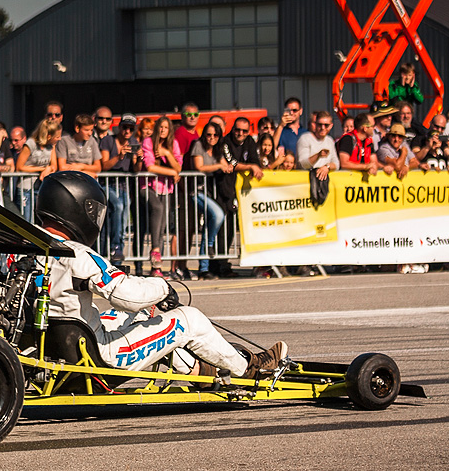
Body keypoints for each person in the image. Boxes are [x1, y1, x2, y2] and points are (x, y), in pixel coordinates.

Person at [35, 170, 288, 380]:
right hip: (97, 360)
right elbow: (127, 296)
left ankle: (198, 370)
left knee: (137, 316)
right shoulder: (78, 255)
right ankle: (250, 369)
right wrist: (163, 287)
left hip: (51, 353)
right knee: (189, 319)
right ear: (77, 208)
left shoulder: (25, 251)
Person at [215, 117, 265, 277]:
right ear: (232, 129)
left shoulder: (250, 142)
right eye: (237, 130)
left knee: (235, 229)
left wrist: (253, 166)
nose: (240, 133)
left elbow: (255, 161)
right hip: (224, 190)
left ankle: (228, 263)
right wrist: (250, 166)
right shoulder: (225, 141)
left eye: (244, 131)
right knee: (224, 229)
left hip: (242, 193)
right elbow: (232, 162)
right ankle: (220, 265)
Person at [135, 115, 181, 277]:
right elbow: (150, 167)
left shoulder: (173, 144)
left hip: (165, 188)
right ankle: (154, 250)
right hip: (147, 186)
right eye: (160, 127)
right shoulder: (148, 142)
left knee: (161, 227)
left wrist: (167, 153)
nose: (163, 130)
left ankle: (156, 268)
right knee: (157, 208)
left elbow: (178, 167)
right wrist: (172, 172)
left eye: (166, 127)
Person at [190, 122, 230, 281]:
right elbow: (199, 167)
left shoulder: (219, 150)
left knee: (208, 227)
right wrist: (218, 165)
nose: (212, 138)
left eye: (215, 135)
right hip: (196, 191)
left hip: (211, 193)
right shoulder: (198, 145)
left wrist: (225, 165)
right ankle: (210, 245)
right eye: (209, 134)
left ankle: (204, 268)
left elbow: (226, 165)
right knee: (218, 215)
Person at [99, 113, 139, 266]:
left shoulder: (133, 142)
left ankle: (118, 251)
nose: (127, 131)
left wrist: (139, 158)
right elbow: (104, 166)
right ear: (119, 127)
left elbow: (136, 169)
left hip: (124, 186)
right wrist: (119, 156)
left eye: (131, 128)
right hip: (107, 184)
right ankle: (115, 246)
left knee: (124, 216)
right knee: (118, 206)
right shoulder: (108, 140)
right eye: (125, 127)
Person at [15, 119, 59, 220]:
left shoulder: (51, 146)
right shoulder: (30, 144)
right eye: (57, 136)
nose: (59, 139)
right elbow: (19, 167)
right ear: (49, 136)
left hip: (41, 188)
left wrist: (48, 169)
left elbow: (54, 166)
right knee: (26, 219)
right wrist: (41, 169)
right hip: (26, 188)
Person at [55, 114, 101, 179]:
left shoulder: (92, 141)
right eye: (86, 130)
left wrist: (82, 166)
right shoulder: (64, 141)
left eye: (91, 130)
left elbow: (98, 167)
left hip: (88, 181)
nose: (90, 133)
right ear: (77, 128)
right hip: (70, 180)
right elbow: (62, 167)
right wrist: (85, 173)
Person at [296, 111, 339, 178]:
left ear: (331, 126)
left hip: (324, 181)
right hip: (306, 180)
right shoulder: (304, 138)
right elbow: (302, 164)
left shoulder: (330, 140)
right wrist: (318, 155)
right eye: (320, 125)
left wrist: (327, 167)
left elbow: (336, 164)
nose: (322, 128)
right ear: (315, 124)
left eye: (326, 125)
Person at [174, 103, 201, 170]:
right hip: (186, 173)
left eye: (195, 114)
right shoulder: (180, 134)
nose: (193, 117)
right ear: (182, 116)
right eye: (189, 114)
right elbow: (178, 158)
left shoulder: (195, 132)